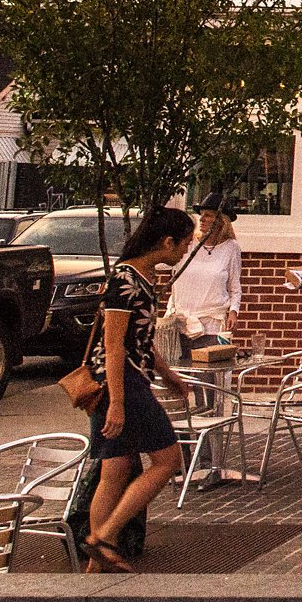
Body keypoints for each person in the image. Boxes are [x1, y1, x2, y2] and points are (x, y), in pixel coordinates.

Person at [81, 205, 198, 572]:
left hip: (130, 379)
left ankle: (97, 563)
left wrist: (167, 374)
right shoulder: (124, 280)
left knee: (114, 471)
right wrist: (117, 402)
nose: (185, 251)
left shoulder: (145, 279)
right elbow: (114, 345)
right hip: (122, 383)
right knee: (167, 460)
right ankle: (104, 537)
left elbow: (141, 339)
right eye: (185, 243)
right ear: (167, 242)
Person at [159, 193, 242, 365]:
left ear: (221, 221)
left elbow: (235, 286)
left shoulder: (231, 248)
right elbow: (161, 264)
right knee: (177, 371)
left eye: (208, 215)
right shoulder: (187, 245)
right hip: (180, 321)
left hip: (211, 322)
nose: (202, 219)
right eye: (201, 215)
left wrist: (233, 311)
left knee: (210, 373)